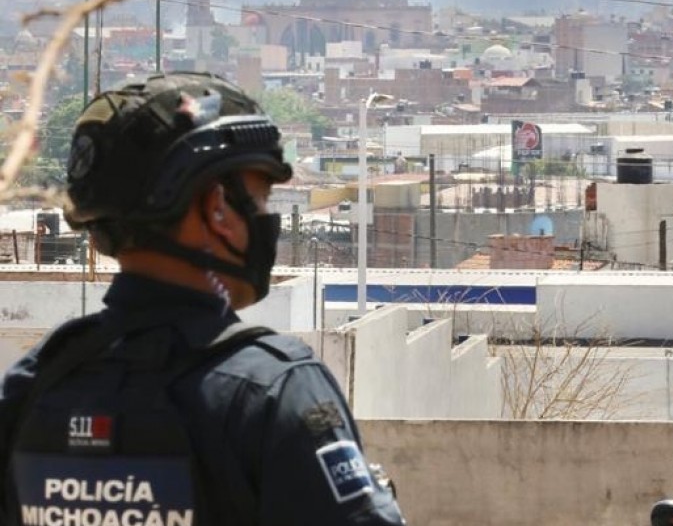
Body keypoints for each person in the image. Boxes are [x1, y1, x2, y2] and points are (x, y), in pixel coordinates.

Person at [0, 72, 405, 525]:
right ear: (217, 208)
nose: (265, 219)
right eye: (259, 198)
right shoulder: (274, 391)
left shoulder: (35, 385)